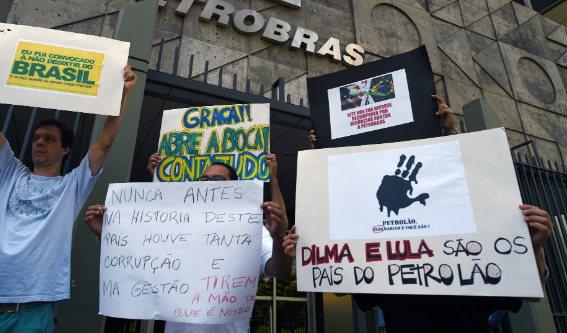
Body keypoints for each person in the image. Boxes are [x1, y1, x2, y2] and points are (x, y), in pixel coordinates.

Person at [285, 95, 554, 332]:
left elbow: (530, 293)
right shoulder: (384, 254)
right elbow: (341, 286)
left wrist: (535, 247)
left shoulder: (474, 246)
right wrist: (323, 164)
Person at [0, 43, 136, 333]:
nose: (39, 142)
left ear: (65, 150)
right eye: (37, 137)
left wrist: (122, 96)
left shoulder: (72, 185)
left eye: (49, 139)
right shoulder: (9, 174)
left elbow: (104, 142)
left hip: (31, 313)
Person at [85, 153, 293, 332]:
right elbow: (141, 256)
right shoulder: (175, 228)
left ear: (234, 187)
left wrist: (277, 236)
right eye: (204, 179)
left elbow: (280, 272)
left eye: (218, 180)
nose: (209, 184)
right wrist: (107, 235)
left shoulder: (251, 228)